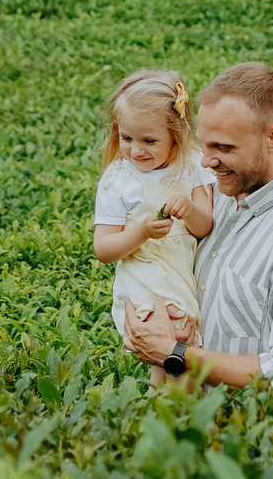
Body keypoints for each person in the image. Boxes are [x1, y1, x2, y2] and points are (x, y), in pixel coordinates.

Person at [123, 62, 273, 386]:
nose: (207, 161)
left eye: (224, 147)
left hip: (256, 418)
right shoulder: (223, 185)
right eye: (204, 144)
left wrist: (174, 353)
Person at [90, 69, 216, 384]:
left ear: (177, 134)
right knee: (173, 353)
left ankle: (166, 409)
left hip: (183, 276)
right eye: (126, 138)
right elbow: (104, 249)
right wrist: (142, 232)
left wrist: (190, 210)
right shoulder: (119, 180)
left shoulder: (191, 165)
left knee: (176, 362)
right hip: (144, 278)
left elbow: (204, 227)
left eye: (149, 140)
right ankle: (173, 410)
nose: (136, 150)